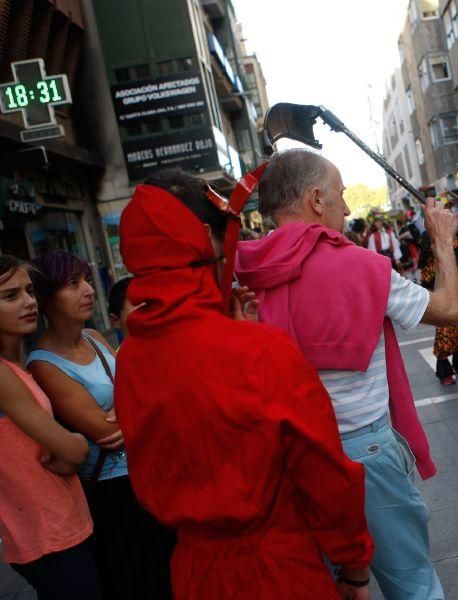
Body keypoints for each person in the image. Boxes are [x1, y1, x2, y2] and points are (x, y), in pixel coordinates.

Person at [114, 168, 374, 600]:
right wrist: (356, 569)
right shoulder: (262, 352)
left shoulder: (130, 360)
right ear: (207, 241)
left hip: (192, 574)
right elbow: (326, 476)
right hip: (279, 570)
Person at [235, 149, 457, 600]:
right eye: (340, 194)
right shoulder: (361, 267)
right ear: (316, 199)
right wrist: (444, 243)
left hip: (285, 457)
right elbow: (449, 310)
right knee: (411, 583)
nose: (348, 207)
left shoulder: (241, 274)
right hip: (364, 449)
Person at [25, 251, 174, 600]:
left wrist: (133, 410)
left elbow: (142, 390)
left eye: (88, 281)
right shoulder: (43, 364)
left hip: (147, 474)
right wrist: (138, 408)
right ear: (46, 299)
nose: (88, 291)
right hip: (113, 493)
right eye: (73, 284)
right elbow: (107, 432)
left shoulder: (93, 335)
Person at [0, 254, 100, 600]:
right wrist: (73, 446)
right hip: (44, 533)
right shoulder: (5, 373)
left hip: (61, 522)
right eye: (10, 296)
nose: (28, 302)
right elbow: (77, 449)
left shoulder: (18, 365)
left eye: (28, 291)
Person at [419, 223, 458, 386]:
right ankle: (444, 369)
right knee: (445, 331)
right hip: (443, 294)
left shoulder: (456, 236)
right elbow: (428, 270)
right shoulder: (429, 238)